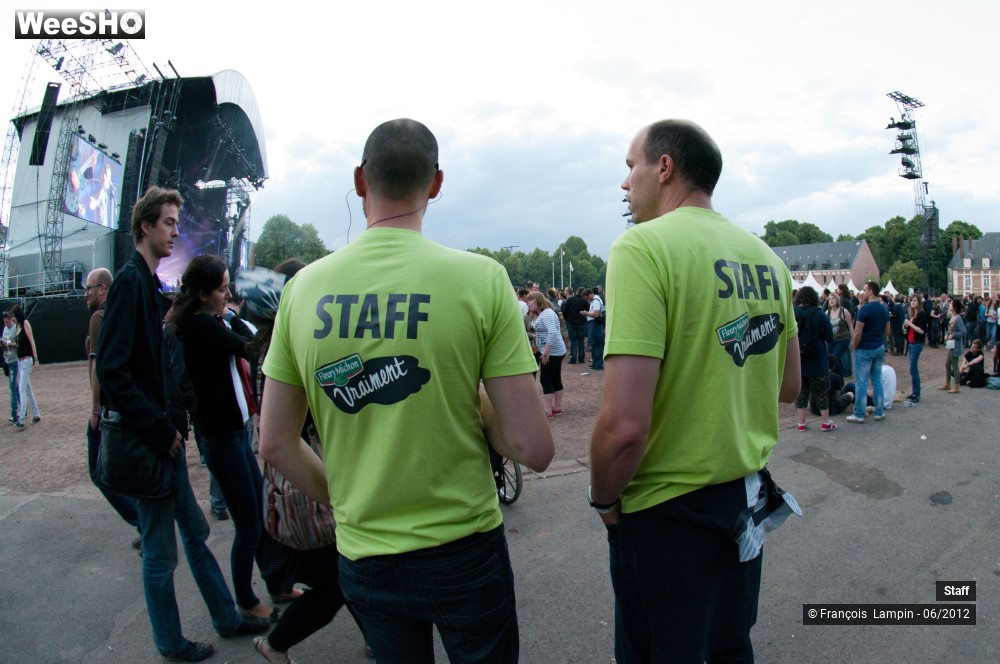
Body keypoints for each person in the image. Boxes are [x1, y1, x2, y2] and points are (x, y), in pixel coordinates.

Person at [258, 119, 554, 663]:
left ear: (359, 181)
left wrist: (345, 500)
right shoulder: (482, 280)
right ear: (436, 184)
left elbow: (274, 442)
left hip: (365, 550)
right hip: (465, 546)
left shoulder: (303, 289)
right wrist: (475, 398)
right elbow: (533, 448)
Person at [590, 119, 801, 663]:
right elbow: (790, 385)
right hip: (744, 501)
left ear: (664, 167)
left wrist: (604, 499)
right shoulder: (768, 259)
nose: (625, 183)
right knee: (729, 645)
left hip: (667, 513)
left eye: (631, 166)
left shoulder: (642, 248)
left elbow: (624, 427)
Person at [96, 186, 269, 662]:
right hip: (153, 441)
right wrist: (160, 428)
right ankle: (171, 643)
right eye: (169, 222)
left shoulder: (145, 283)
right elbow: (112, 369)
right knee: (161, 552)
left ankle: (226, 617)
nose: (176, 231)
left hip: (165, 437)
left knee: (194, 534)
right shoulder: (130, 283)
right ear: (146, 226)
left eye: (176, 222)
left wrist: (171, 424)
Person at [174, 255, 279, 624]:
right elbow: (249, 348)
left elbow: (243, 340)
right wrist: (272, 321)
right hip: (223, 439)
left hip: (232, 434)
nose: (228, 295)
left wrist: (235, 317)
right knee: (248, 524)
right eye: (221, 290)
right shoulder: (201, 325)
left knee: (257, 514)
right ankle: (247, 601)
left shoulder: (210, 320)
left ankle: (276, 585)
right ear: (203, 294)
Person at [84, 267, 141, 547]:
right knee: (129, 472)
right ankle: (147, 524)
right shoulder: (120, 315)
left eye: (89, 288)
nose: (86, 293)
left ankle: (142, 522)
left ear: (103, 289)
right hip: (125, 405)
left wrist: (95, 410)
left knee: (99, 473)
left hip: (108, 408)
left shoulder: (99, 317)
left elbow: (98, 366)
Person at [846, 281, 890, 424]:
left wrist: (854, 346)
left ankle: (859, 413)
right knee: (877, 381)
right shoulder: (884, 308)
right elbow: (887, 331)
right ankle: (879, 411)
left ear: (871, 292)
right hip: (878, 346)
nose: (862, 292)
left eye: (864, 290)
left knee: (861, 383)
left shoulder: (864, 310)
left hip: (865, 348)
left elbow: (857, 333)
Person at [795, 287, 836, 431]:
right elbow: (829, 337)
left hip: (799, 360)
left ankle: (801, 423)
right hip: (818, 360)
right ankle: (825, 422)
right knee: (821, 393)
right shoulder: (819, 314)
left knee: (801, 393)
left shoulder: (794, 313)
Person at [526, 291, 567, 418]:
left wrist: (546, 352)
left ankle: (548, 411)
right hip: (551, 351)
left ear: (538, 301)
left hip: (552, 352)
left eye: (530, 300)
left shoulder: (547, 314)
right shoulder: (542, 314)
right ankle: (557, 408)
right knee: (555, 378)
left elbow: (553, 332)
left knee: (546, 379)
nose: (528, 303)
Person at [10, 304, 40, 429]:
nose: (12, 318)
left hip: (27, 360)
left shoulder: (25, 323)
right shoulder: (17, 327)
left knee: (21, 389)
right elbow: (19, 344)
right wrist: (10, 344)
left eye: (13, 316)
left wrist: (35, 359)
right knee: (27, 389)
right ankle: (36, 414)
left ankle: (21, 419)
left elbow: (32, 341)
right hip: (20, 361)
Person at [903, 293, 929, 403]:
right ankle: (915, 392)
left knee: (913, 368)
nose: (912, 302)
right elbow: (908, 331)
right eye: (911, 300)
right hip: (911, 342)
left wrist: (910, 324)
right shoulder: (913, 315)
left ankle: (916, 393)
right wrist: (905, 327)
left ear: (919, 302)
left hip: (917, 343)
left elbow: (921, 331)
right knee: (912, 368)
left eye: (915, 300)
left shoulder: (921, 314)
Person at [941, 298, 967, 394]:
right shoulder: (953, 316)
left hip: (955, 345)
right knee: (947, 364)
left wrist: (953, 335)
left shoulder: (958, 318)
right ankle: (948, 383)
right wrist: (947, 334)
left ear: (955, 307)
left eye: (951, 304)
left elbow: (963, 331)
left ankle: (956, 385)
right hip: (951, 344)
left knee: (955, 366)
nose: (950, 305)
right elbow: (950, 329)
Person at [827, 292, 854, 379]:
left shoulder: (844, 311)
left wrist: (853, 340)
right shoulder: (827, 312)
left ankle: (841, 376)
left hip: (843, 339)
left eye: (833, 299)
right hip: (832, 339)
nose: (831, 301)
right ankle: (839, 378)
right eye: (830, 299)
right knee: (831, 360)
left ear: (837, 300)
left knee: (835, 358)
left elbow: (850, 326)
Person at [563, 287, 589, 364]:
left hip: (571, 322)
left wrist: (567, 319)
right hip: (581, 323)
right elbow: (587, 311)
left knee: (573, 341)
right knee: (581, 340)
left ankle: (573, 358)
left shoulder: (570, 300)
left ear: (576, 291)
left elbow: (565, 311)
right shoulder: (585, 301)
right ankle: (581, 358)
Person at [2, 311, 19, 424]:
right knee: (15, 388)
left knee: (12, 388)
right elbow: (5, 340)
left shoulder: (15, 328)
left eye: (7, 321)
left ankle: (14, 414)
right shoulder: (5, 329)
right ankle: (22, 410)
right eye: (5, 322)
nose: (6, 324)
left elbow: (18, 343)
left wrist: (10, 344)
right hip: (8, 360)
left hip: (14, 361)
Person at [582, 288, 605, 369]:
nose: (587, 300)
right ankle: (596, 363)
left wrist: (586, 313)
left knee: (597, 344)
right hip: (595, 324)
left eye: (586, 298)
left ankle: (598, 364)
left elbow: (596, 314)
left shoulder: (595, 301)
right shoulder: (596, 300)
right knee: (595, 344)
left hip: (595, 324)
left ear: (589, 295)